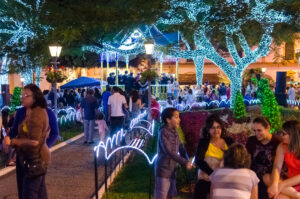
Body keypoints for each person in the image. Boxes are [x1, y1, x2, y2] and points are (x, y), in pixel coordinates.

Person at [4, 84, 50, 198]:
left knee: (29, 193)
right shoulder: (25, 112)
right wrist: (8, 138)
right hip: (26, 158)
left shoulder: (37, 114)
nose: (22, 97)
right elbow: (15, 130)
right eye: (22, 95)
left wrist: (15, 142)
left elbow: (34, 141)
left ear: (35, 97)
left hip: (35, 159)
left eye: (26, 95)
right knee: (39, 193)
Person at [155, 108, 193, 199]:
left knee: (170, 194)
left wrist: (188, 160)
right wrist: (185, 162)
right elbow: (169, 151)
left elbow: (181, 147)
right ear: (168, 120)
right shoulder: (163, 132)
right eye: (176, 117)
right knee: (162, 195)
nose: (179, 119)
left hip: (172, 169)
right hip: (164, 169)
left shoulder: (174, 131)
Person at [194, 114, 234, 199]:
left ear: (222, 128)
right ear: (208, 130)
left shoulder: (229, 141)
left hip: (226, 178)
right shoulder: (204, 142)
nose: (216, 130)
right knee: (200, 188)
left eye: (218, 127)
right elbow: (198, 160)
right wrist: (213, 174)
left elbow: (236, 158)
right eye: (213, 128)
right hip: (207, 178)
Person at [246, 117, 281, 199]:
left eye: (259, 130)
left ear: (268, 128)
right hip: (254, 178)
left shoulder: (277, 142)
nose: (256, 134)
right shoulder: (251, 141)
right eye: (254, 131)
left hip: (270, 178)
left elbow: (278, 166)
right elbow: (246, 160)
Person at [267, 120, 300, 199]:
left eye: (284, 134)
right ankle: (297, 196)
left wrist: (282, 184)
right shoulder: (282, 146)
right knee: (267, 178)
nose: (281, 135)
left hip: (293, 182)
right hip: (290, 183)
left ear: (293, 135)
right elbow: (276, 167)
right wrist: (275, 184)